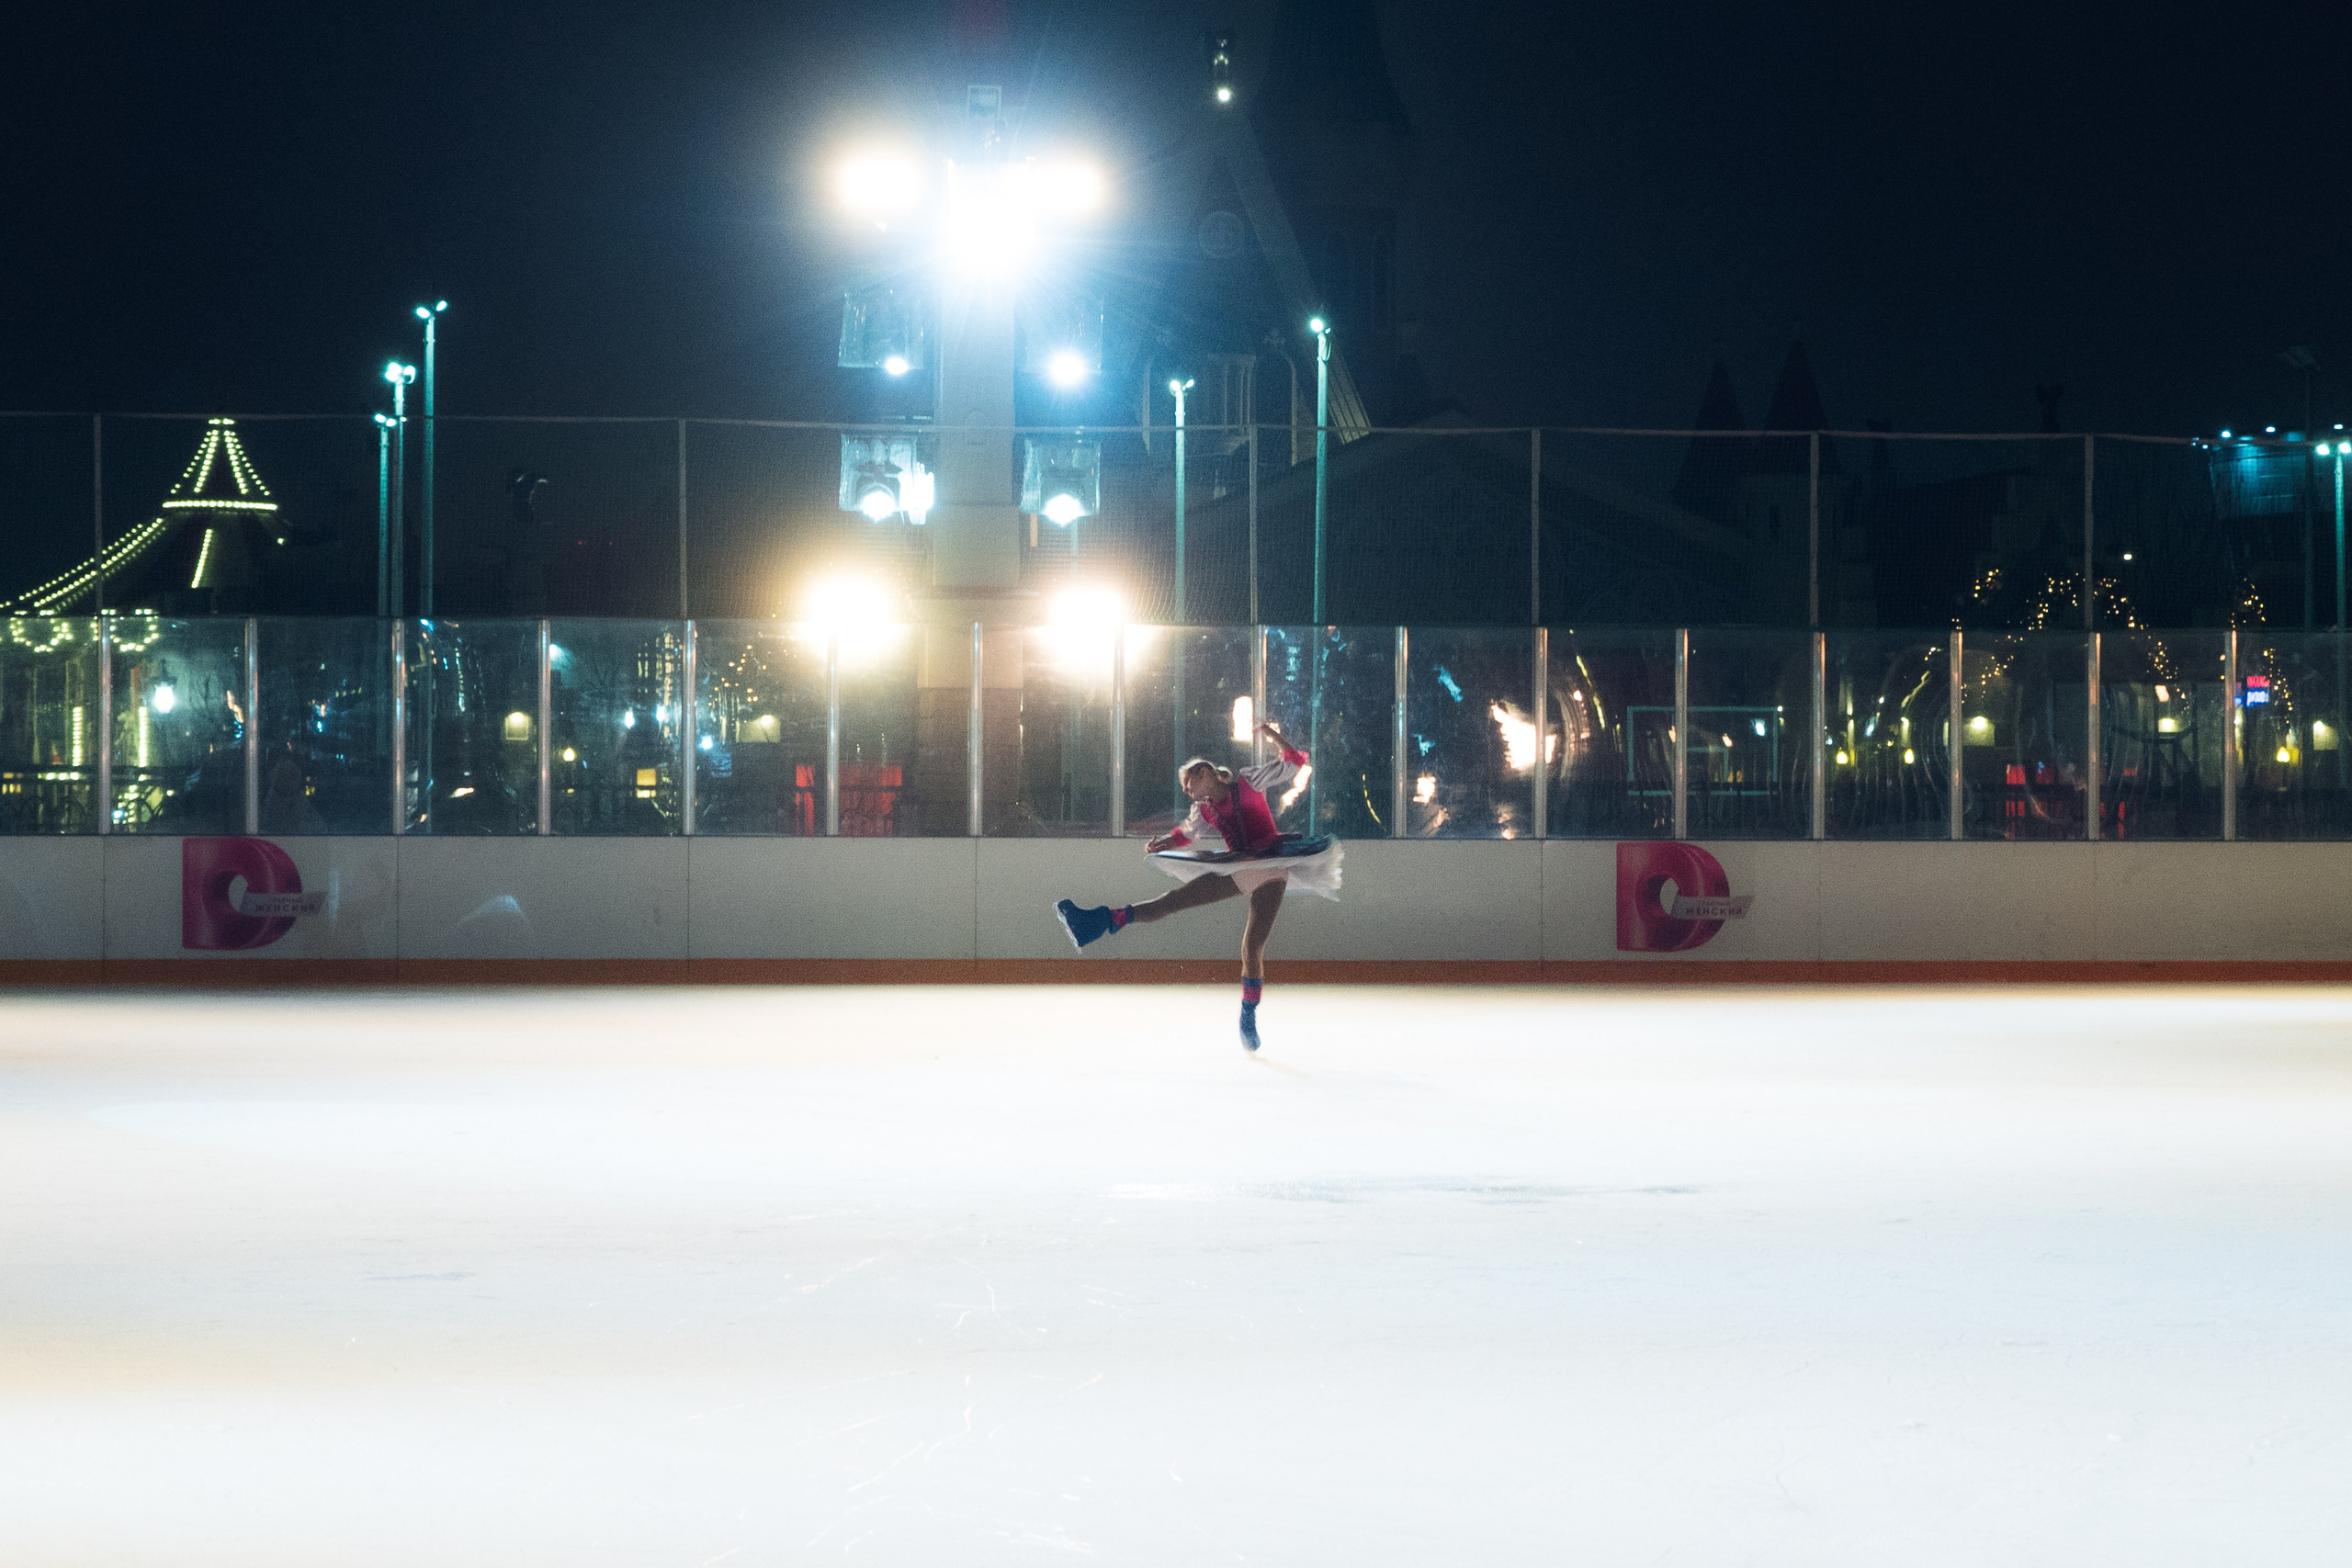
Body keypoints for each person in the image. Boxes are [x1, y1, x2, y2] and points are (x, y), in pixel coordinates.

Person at [1056, 721, 1341, 1050]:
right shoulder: (1204, 809)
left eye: (1190, 785)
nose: (1189, 793)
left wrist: (1271, 734)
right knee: (1174, 900)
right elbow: (1186, 834)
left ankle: (1248, 1015)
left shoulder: (1248, 781)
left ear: (1204, 773)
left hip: (1273, 865)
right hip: (1239, 867)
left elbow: (1294, 761)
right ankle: (1096, 922)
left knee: (1252, 945)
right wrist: (1163, 842)